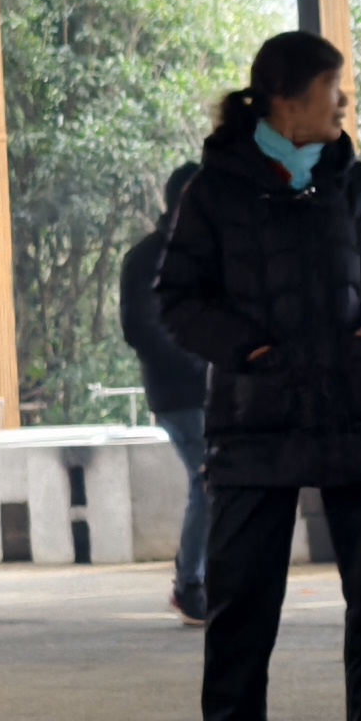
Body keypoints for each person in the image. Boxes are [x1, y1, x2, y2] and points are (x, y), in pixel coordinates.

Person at [157, 32, 361, 721]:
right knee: (240, 598)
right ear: (286, 100)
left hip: (360, 411)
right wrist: (244, 348)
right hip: (257, 418)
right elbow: (176, 300)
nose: (343, 103)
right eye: (332, 89)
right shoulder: (214, 193)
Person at [120, 162, 214, 623]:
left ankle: (203, 579)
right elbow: (140, 328)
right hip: (178, 392)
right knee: (209, 479)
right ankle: (190, 583)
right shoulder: (145, 259)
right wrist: (196, 359)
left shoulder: (208, 254)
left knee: (214, 481)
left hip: (212, 389)